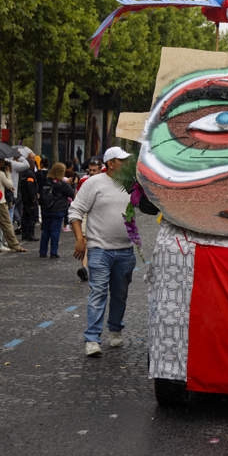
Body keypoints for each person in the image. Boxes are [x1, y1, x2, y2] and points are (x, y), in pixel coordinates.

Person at [68, 146, 136, 357]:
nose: (127, 164)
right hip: (99, 249)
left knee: (120, 294)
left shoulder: (131, 184)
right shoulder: (94, 183)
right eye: (122, 160)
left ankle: (115, 328)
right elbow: (75, 211)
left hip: (125, 250)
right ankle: (92, 339)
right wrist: (80, 239)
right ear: (111, 163)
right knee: (98, 292)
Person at [0, 159, 26, 253]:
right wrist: (8, 174)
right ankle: (14, 245)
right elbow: (10, 185)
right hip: (0, 202)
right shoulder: (0, 174)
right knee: (7, 224)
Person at [39, 162, 75, 259]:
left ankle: (42, 252)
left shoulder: (46, 182)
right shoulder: (62, 184)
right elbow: (72, 194)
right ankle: (53, 252)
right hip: (58, 210)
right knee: (55, 232)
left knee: (45, 231)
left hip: (46, 209)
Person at [18, 153, 40, 242]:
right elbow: (30, 186)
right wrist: (33, 197)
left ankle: (25, 234)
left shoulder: (23, 173)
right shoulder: (30, 174)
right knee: (31, 217)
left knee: (25, 217)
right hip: (30, 199)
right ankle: (30, 234)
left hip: (24, 198)